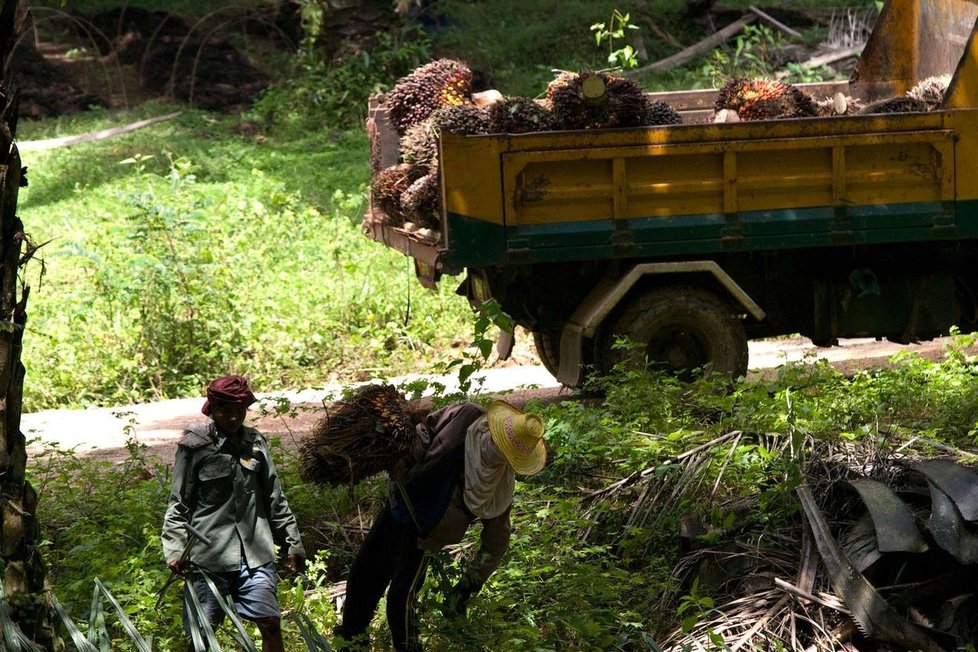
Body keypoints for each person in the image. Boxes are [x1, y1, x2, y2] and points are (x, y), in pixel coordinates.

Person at [334, 399, 547, 652]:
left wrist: (469, 584)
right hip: (400, 503)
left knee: (400, 601)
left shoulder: (498, 488)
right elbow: (424, 430)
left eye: (503, 452)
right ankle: (351, 644)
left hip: (425, 535)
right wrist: (405, 457)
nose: (494, 449)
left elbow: (496, 540)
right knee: (363, 575)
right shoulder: (465, 417)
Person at [161, 375, 306, 652]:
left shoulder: (255, 444)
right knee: (202, 636)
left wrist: (292, 541)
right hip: (208, 558)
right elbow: (178, 504)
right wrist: (175, 550)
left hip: (255, 555)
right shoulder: (194, 448)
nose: (232, 418)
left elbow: (275, 497)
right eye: (225, 411)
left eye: (239, 412)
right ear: (212, 410)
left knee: (271, 624)